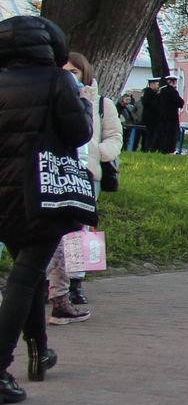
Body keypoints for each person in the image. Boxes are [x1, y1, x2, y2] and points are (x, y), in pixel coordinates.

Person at [0, 15, 92, 403]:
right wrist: (85, 107)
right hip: (42, 192)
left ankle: (39, 354)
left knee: (31, 274)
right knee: (23, 280)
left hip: (2, 196)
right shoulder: (58, 81)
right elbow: (79, 133)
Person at [45, 51, 116, 324]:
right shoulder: (52, 99)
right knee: (56, 235)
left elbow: (113, 135)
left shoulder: (99, 104)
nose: (69, 77)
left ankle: (74, 285)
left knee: (77, 235)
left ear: (84, 74)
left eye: (74, 72)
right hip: (56, 175)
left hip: (86, 175)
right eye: (64, 71)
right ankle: (51, 287)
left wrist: (97, 153)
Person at [147, 75, 183, 153]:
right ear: (172, 82)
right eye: (175, 82)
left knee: (162, 134)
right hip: (172, 117)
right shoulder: (173, 92)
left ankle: (159, 148)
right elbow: (180, 103)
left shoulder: (162, 91)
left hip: (162, 117)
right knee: (171, 135)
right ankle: (169, 150)